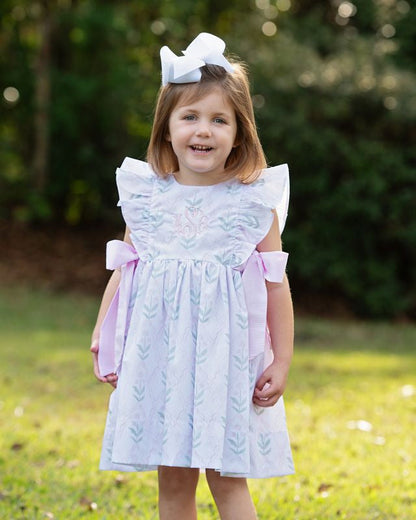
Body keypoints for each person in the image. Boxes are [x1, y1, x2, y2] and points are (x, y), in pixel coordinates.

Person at [90, 32, 294, 520]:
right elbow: (126, 268)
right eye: (190, 117)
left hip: (227, 362)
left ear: (239, 133)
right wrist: (103, 332)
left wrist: (281, 359)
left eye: (219, 120)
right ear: (166, 129)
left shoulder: (252, 202)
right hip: (159, 356)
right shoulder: (147, 196)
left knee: (227, 482)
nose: (204, 130)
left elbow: (276, 284)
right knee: (174, 483)